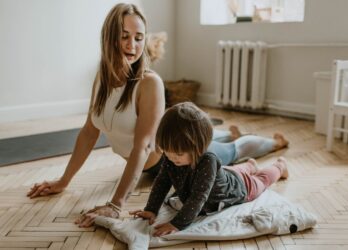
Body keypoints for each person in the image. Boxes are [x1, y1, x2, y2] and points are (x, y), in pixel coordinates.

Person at [26, 3, 288, 228]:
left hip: (180, 159)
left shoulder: (149, 83)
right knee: (220, 142)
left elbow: (142, 147)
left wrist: (116, 205)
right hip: (159, 161)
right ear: (109, 37)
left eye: (139, 37)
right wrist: (63, 180)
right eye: (124, 36)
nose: (132, 45)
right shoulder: (102, 80)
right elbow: (88, 132)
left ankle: (273, 144)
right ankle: (225, 134)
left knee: (232, 150)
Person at [130, 102, 289, 236]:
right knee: (232, 171)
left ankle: (280, 167)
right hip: (225, 174)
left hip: (239, 187)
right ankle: (250, 165)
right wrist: (151, 209)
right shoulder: (172, 157)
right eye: (167, 152)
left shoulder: (207, 161)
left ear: (199, 147)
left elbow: (199, 197)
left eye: (178, 153)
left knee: (261, 180)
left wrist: (177, 224)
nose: (172, 158)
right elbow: (162, 181)